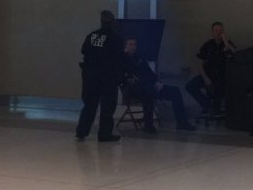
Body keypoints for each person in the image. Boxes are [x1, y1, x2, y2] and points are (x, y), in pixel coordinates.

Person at [123, 38, 196, 133]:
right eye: (131, 44)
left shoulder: (139, 58)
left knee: (175, 91)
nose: (133, 47)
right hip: (135, 89)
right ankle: (148, 125)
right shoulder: (122, 59)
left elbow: (150, 74)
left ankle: (182, 122)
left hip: (150, 85)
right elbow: (125, 77)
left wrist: (157, 83)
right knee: (148, 92)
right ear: (125, 46)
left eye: (134, 45)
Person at [76, 10, 124, 142]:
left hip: (90, 76)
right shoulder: (115, 38)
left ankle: (81, 131)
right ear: (113, 22)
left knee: (89, 104)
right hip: (107, 77)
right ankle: (104, 134)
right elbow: (118, 58)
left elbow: (84, 50)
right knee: (107, 106)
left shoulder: (92, 36)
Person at [186, 22, 236, 115]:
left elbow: (234, 54)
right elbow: (199, 63)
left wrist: (225, 41)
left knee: (217, 100)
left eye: (220, 30)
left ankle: (214, 109)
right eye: (216, 30)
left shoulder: (227, 44)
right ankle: (206, 104)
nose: (218, 33)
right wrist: (205, 78)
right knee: (190, 86)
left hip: (222, 78)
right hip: (208, 75)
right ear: (212, 32)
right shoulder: (207, 45)